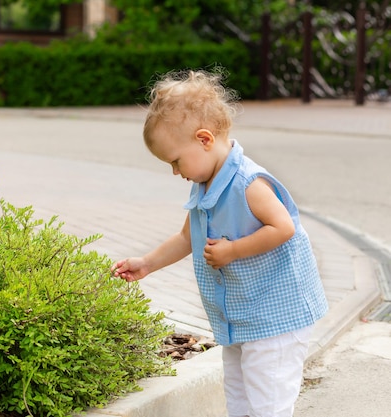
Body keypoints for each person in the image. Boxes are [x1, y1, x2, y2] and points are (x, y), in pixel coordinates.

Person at [111, 70, 328, 417]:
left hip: (276, 317)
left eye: (176, 161)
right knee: (240, 399)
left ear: (204, 139)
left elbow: (283, 227)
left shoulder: (247, 183)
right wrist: (147, 263)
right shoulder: (205, 185)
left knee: (268, 404)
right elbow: (188, 237)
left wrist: (233, 250)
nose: (175, 173)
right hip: (241, 319)